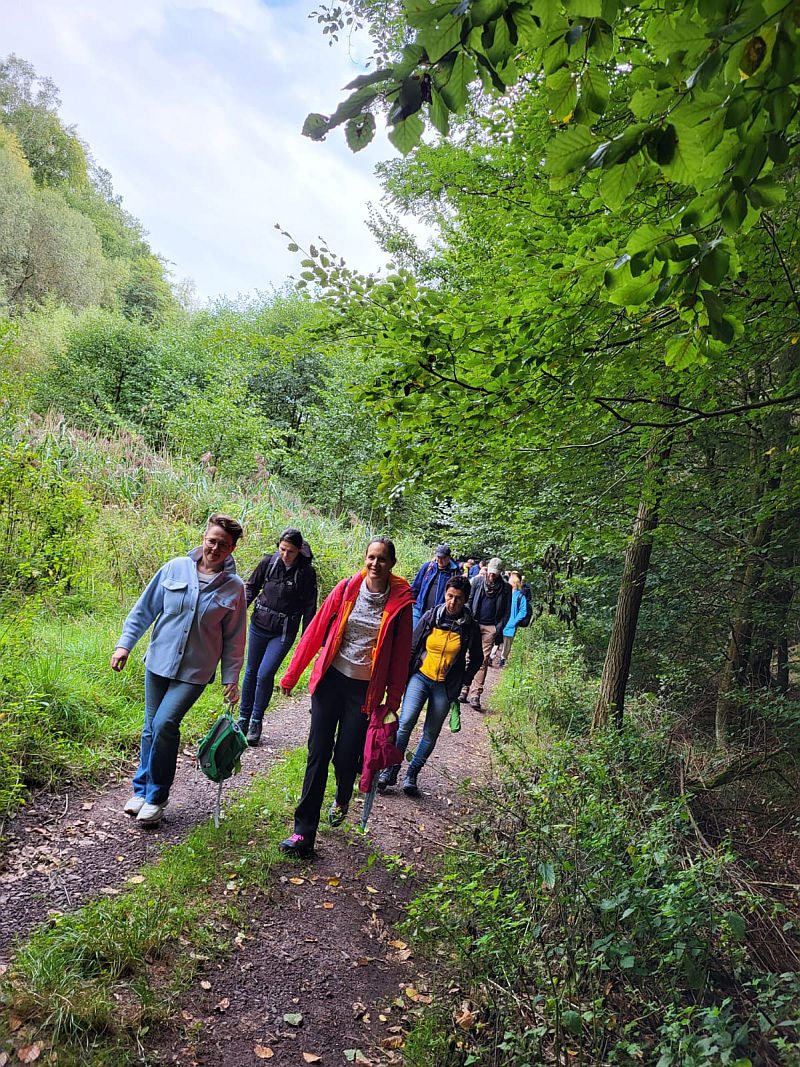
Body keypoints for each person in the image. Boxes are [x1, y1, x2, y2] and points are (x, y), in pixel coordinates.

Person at [277, 537, 414, 857]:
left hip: (364, 692)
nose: (375, 564)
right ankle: (303, 832)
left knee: (346, 756)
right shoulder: (347, 588)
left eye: (382, 559)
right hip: (331, 681)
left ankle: (342, 796)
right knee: (318, 753)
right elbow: (315, 630)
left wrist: (392, 704)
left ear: (391, 564)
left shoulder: (400, 604)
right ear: (365, 559)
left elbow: (400, 657)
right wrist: (292, 673)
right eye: (371, 557)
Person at [111, 514, 247, 826]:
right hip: (159, 662)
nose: (215, 548)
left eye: (223, 544)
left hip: (196, 671)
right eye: (212, 541)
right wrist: (124, 645)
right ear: (203, 539)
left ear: (232, 549)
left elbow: (235, 637)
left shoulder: (234, 587)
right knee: (150, 727)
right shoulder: (175, 568)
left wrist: (231, 678)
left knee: (164, 724)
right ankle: (141, 790)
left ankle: (157, 797)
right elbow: (145, 609)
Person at [377, 575, 482, 797]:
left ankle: (412, 774)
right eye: (450, 596)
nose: (452, 602)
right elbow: (412, 647)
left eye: (458, 598)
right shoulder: (432, 616)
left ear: (465, 600)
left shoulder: (470, 627)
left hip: (445, 686)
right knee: (405, 722)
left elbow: (477, 659)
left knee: (431, 733)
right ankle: (391, 770)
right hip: (421, 677)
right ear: (445, 594)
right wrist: (403, 677)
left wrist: (464, 680)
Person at [237, 528, 317, 747]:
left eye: (290, 551)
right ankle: (243, 719)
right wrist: (239, 611)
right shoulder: (268, 562)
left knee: (264, 674)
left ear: (299, 550)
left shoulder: (306, 573)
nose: (285, 555)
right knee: (251, 671)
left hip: (284, 630)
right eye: (282, 549)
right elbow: (252, 587)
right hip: (259, 624)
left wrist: (306, 639)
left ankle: (256, 721)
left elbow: (310, 608)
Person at [461, 557, 511, 713]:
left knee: (483, 660)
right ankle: (464, 688)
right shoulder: (477, 582)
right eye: (490, 572)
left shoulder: (506, 588)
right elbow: (469, 601)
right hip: (474, 624)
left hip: (491, 627)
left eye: (495, 573)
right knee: (468, 656)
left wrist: (498, 628)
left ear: (500, 572)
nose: (491, 575)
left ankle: (475, 694)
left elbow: (507, 611)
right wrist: (468, 620)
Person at [410, 543, 459, 627]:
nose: (440, 560)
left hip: (439, 614)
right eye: (438, 557)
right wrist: (412, 602)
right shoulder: (428, 567)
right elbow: (415, 586)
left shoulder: (454, 573)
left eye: (443, 558)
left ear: (448, 558)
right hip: (419, 610)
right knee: (414, 633)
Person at [498, 572, 527, 666]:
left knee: (507, 642)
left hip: (511, 623)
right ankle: (490, 656)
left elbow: (523, 611)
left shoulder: (520, 596)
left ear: (514, 583)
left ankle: (502, 659)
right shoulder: (505, 593)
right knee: (496, 638)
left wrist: (514, 621)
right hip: (501, 621)